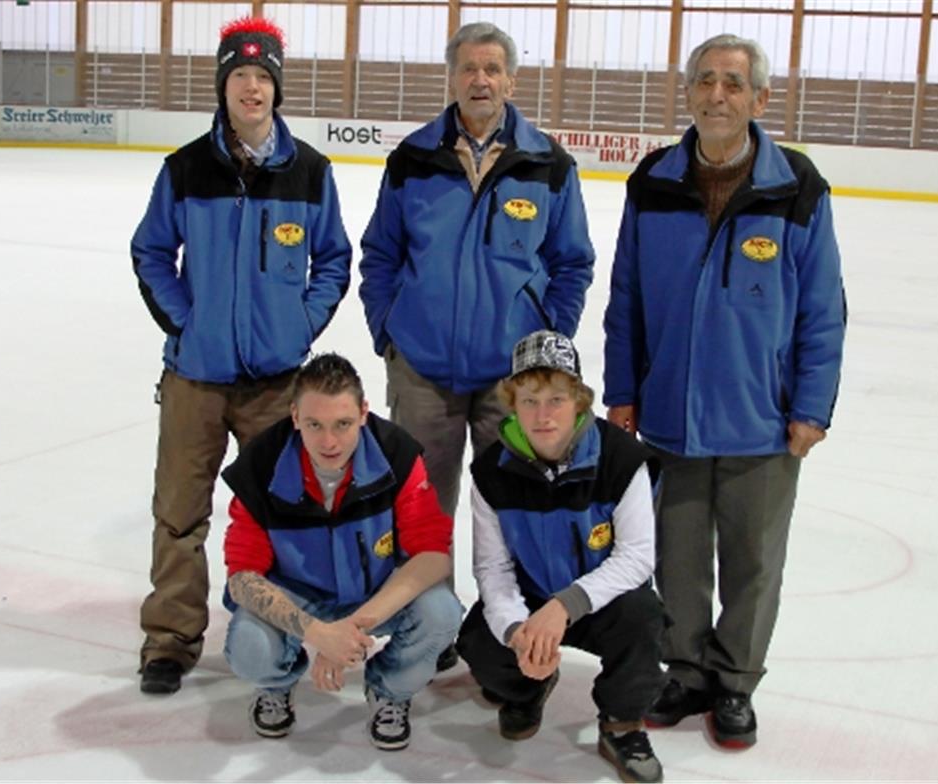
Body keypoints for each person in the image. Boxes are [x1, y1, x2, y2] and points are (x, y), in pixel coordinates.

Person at [602, 33, 847, 749]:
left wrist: (810, 407)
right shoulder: (653, 181)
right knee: (675, 555)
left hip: (761, 419)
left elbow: (822, 310)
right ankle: (684, 671)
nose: (717, 95)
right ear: (688, 93)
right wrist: (624, 390)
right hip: (669, 413)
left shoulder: (796, 186)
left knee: (752, 560)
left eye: (733, 85)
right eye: (705, 81)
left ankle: (734, 682)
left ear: (760, 99)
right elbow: (627, 299)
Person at [359, 22, 596, 669]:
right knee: (423, 512)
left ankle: (505, 633)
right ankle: (431, 629)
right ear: (452, 77)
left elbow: (572, 263)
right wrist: (391, 332)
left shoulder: (547, 163)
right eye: (469, 68)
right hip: (424, 371)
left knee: (513, 512)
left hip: (510, 383)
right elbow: (380, 253)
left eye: (493, 69)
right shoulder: (414, 158)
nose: (481, 80)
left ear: (513, 80)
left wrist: (546, 348)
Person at [130, 16, 352, 695]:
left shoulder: (310, 172)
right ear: (223, 86)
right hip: (196, 375)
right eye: (239, 76)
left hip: (276, 382)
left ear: (276, 88)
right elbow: (150, 252)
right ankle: (171, 639)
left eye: (263, 77)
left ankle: (282, 628)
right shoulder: (187, 168)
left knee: (282, 511)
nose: (251, 88)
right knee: (179, 510)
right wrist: (186, 322)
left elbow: (335, 261)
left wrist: (298, 327)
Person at [220, 353, 462, 750]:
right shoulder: (261, 465)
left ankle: (389, 691)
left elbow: (433, 553)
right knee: (249, 645)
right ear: (295, 416)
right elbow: (243, 577)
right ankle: (275, 684)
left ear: (364, 413)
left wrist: (351, 630)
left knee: (441, 612)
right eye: (314, 425)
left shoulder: (396, 453)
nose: (329, 442)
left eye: (343, 424)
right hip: (299, 595)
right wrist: (316, 632)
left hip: (375, 593)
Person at [456, 330, 665, 783]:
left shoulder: (621, 457)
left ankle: (622, 722)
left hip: (599, 600)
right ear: (512, 403)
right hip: (530, 603)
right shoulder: (491, 472)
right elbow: (493, 569)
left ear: (579, 400)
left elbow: (637, 557)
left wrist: (565, 605)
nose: (543, 414)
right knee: (477, 643)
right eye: (529, 400)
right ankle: (527, 688)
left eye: (556, 399)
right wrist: (517, 632)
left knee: (643, 616)